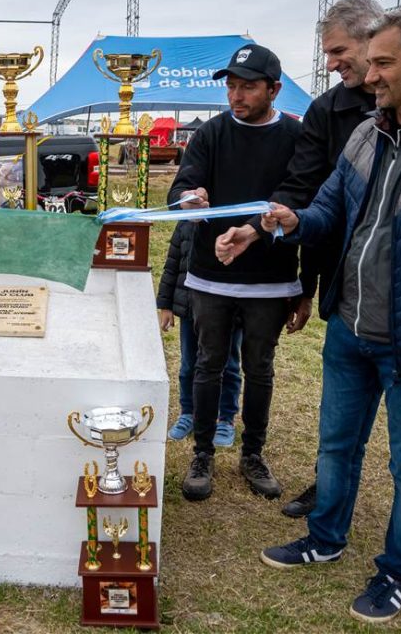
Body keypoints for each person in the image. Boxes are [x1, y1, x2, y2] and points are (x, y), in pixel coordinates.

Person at [217, 0, 401, 564]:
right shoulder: (349, 124)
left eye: (377, 63)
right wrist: (272, 228)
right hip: (351, 313)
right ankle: (327, 528)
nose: (361, 72)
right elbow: (320, 200)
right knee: (337, 442)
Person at [168, 43, 313, 502]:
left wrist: (302, 284)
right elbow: (180, 188)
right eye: (231, 86)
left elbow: (299, 196)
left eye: (248, 86)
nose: (236, 95)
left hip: (270, 278)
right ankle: (203, 454)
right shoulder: (210, 134)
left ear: (274, 88)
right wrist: (190, 200)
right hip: (211, 274)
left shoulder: (296, 138)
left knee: (260, 368)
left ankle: (252, 454)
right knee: (208, 364)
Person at [157, 221, 243, 447]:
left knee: (229, 365)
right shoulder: (187, 221)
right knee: (189, 364)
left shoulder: (234, 219)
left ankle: (225, 418)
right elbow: (173, 263)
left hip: (229, 310)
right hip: (189, 309)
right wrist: (166, 305)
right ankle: (188, 413)